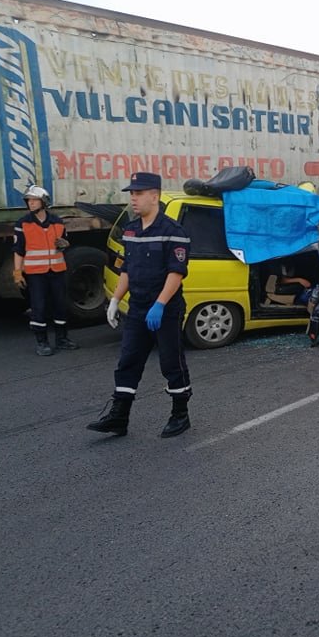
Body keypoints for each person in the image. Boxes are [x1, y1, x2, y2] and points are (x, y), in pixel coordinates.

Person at [87, 172, 193, 438]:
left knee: (171, 362)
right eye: (132, 193)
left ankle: (180, 414)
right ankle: (119, 417)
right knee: (128, 360)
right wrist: (115, 300)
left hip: (165, 310)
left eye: (138, 193)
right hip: (137, 307)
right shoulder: (131, 230)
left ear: (154, 196)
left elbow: (176, 272)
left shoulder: (173, 231)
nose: (133, 198)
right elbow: (127, 269)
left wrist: (160, 304)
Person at [12, 184, 79, 356]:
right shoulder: (22, 224)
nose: (31, 203)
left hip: (57, 270)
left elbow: (64, 242)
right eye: (28, 200)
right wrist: (17, 272)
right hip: (36, 273)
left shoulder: (57, 222)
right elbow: (19, 250)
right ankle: (42, 342)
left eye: (34, 200)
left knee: (60, 305)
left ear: (44, 202)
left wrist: (65, 244)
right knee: (39, 307)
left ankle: (62, 339)